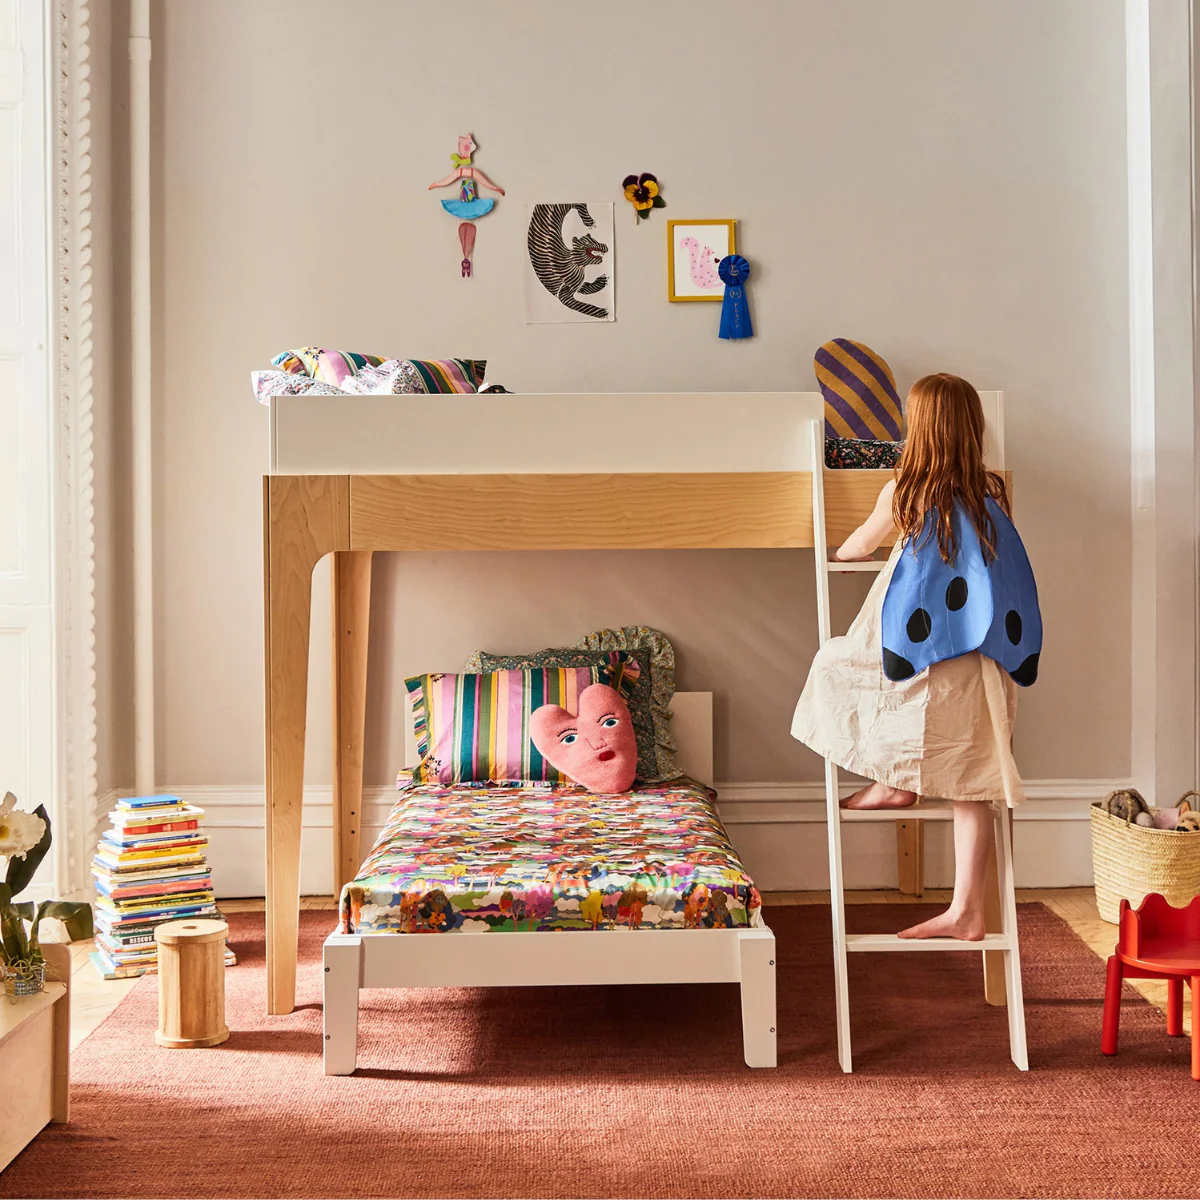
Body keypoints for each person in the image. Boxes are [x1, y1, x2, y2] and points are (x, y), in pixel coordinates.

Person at [791, 373, 1030, 941]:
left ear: (915, 430)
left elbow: (857, 548)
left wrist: (842, 549)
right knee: (973, 779)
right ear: (974, 429)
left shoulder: (905, 489)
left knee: (836, 665)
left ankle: (891, 780)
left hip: (919, 649)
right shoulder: (992, 492)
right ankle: (967, 909)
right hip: (983, 657)